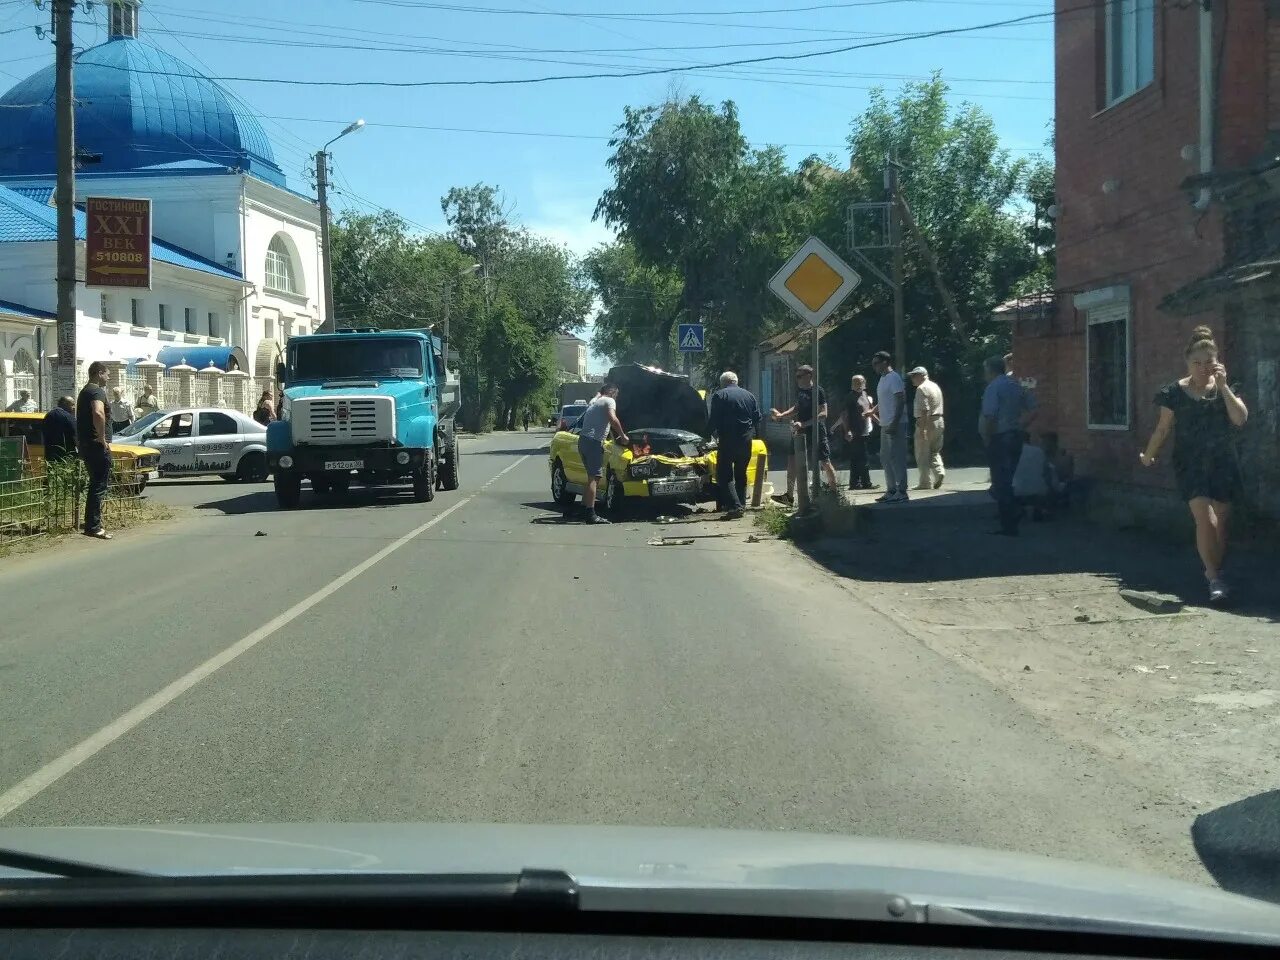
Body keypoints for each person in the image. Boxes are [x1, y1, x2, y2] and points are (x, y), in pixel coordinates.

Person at [1139, 325, 1248, 603]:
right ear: (1187, 362)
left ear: (1217, 362)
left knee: (1222, 522)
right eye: (1196, 363)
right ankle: (1214, 577)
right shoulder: (1174, 392)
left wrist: (1223, 387)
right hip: (1190, 462)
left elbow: (1239, 419)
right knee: (1205, 518)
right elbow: (1163, 429)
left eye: (1208, 362)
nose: (1203, 368)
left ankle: (1217, 572)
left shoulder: (1228, 388)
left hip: (1223, 460)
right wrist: (1149, 454)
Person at [770, 364, 837, 503]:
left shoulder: (817, 391)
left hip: (815, 430)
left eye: (800, 376)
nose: (797, 379)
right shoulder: (801, 391)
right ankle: (789, 495)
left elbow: (823, 413)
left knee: (824, 461)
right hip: (799, 431)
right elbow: (797, 407)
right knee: (792, 460)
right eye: (797, 376)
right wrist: (782, 415)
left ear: (809, 376)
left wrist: (804, 424)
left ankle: (834, 494)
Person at [980, 355, 1025, 536]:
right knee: (1009, 478)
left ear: (990, 370)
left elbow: (990, 417)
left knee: (1001, 482)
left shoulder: (993, 388)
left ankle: (1009, 523)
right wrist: (1021, 426)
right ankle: (1012, 516)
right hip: (1016, 436)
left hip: (1000, 437)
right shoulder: (1015, 384)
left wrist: (988, 438)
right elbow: (1035, 409)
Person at [708, 370, 762, 519]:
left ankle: (735, 507)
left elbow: (714, 420)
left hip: (728, 440)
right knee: (741, 473)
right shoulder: (749, 396)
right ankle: (741, 504)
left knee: (724, 474)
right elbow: (757, 418)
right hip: (746, 440)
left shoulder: (719, 395)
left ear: (723, 383)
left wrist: (705, 435)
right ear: (736, 381)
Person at [577, 381, 628, 524]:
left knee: (590, 477)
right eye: (616, 394)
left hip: (583, 440)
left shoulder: (595, 401)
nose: (616, 397)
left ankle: (583, 509)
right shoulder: (609, 400)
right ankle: (591, 515)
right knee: (595, 478)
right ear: (612, 393)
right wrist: (623, 436)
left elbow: (597, 393)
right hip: (593, 441)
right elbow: (612, 419)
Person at [77, 360, 113, 540]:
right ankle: (94, 526)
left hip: (86, 444)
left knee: (95, 484)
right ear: (99, 373)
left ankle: (91, 523)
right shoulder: (96, 391)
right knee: (99, 485)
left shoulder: (85, 391)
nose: (108, 377)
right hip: (96, 445)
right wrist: (102, 438)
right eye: (107, 374)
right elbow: (98, 413)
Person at [871, 351, 908, 502]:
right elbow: (884, 399)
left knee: (896, 457)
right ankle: (891, 490)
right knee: (885, 457)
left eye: (876, 363)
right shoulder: (882, 379)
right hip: (885, 423)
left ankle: (902, 491)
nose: (874, 367)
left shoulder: (894, 378)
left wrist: (894, 423)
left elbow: (900, 400)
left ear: (885, 362)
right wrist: (873, 411)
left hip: (896, 424)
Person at [908, 366, 945, 491]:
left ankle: (925, 482)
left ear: (922, 375)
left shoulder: (921, 388)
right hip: (939, 420)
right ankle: (939, 471)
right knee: (934, 450)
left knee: (922, 453)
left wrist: (923, 428)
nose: (912, 378)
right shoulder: (935, 386)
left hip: (926, 422)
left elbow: (925, 409)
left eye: (914, 375)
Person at [836, 374, 875, 491]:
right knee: (860, 458)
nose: (858, 385)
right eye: (856, 382)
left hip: (865, 430)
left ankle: (857, 483)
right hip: (855, 431)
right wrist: (847, 431)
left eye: (860, 382)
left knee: (860, 457)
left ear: (864, 383)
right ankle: (863, 483)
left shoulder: (864, 395)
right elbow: (844, 415)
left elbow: (870, 411)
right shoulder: (850, 397)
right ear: (852, 384)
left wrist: (880, 422)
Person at [41, 396, 77, 463]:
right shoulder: (68, 417)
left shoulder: (48, 416)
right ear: (64, 404)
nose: (74, 407)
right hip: (66, 455)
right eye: (72, 405)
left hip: (50, 454)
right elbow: (76, 436)